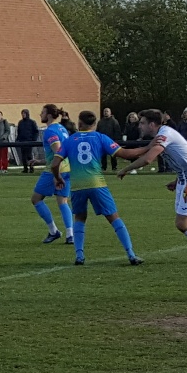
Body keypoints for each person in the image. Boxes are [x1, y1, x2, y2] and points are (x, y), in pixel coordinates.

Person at [116, 109, 187, 261]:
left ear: (152, 124)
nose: (140, 126)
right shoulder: (161, 135)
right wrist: (178, 180)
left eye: (143, 123)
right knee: (186, 220)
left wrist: (125, 169)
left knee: (182, 223)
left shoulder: (164, 135)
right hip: (184, 179)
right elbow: (181, 159)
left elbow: (148, 159)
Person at [54, 110, 139, 266]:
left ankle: (79, 256)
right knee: (114, 217)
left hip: (77, 186)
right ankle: (131, 254)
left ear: (79, 123)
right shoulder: (100, 137)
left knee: (80, 218)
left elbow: (55, 164)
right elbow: (125, 153)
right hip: (96, 184)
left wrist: (58, 178)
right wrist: (149, 148)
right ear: (94, 124)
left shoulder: (70, 140)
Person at [27, 104, 75, 243]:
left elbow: (58, 152)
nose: (40, 115)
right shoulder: (61, 128)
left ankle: (54, 231)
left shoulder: (50, 131)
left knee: (36, 199)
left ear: (48, 115)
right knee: (63, 202)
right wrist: (40, 160)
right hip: (68, 168)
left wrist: (56, 175)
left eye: (42, 112)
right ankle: (70, 235)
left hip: (54, 170)